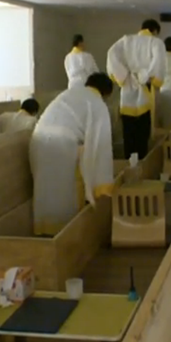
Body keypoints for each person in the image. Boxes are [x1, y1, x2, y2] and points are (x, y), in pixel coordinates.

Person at [29, 73, 115, 236]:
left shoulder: (68, 94)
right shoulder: (97, 103)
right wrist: (103, 185)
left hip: (37, 139)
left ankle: (45, 236)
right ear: (106, 93)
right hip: (62, 144)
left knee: (45, 190)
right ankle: (66, 238)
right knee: (66, 193)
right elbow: (101, 145)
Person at [107, 19, 166, 159]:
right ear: (155, 31)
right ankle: (142, 165)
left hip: (127, 88)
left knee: (128, 133)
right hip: (144, 89)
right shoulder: (155, 42)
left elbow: (111, 54)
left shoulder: (125, 40)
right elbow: (159, 63)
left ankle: (129, 164)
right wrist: (146, 75)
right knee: (142, 133)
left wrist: (124, 75)